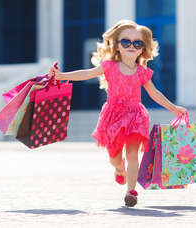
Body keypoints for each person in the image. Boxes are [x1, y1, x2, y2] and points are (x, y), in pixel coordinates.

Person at [49, 19, 187, 207]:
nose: (131, 46)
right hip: (113, 116)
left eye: (137, 43)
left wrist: (174, 108)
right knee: (114, 157)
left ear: (142, 48)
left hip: (135, 117)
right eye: (126, 42)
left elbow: (155, 94)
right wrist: (62, 76)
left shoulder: (142, 72)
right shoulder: (109, 66)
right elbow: (86, 73)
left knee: (132, 153)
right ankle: (119, 169)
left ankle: (131, 191)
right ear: (116, 45)